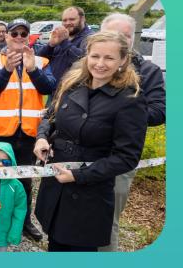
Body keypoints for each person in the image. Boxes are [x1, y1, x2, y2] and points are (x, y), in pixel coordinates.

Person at [34, 31, 148, 251]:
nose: (100, 64)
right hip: (57, 187)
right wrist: (42, 138)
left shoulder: (130, 100)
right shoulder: (73, 84)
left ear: (123, 60)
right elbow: (51, 115)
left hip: (88, 194)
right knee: (55, 245)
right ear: (87, 55)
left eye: (109, 58)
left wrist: (78, 175)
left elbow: (127, 158)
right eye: (95, 56)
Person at [0, 18, 56, 241]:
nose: (19, 38)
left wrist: (33, 70)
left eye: (24, 34)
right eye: (15, 34)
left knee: (24, 179)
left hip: (29, 133)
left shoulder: (41, 62)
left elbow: (50, 87)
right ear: (6, 36)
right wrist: (6, 70)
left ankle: (23, 221)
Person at [98, 13, 166, 251]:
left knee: (107, 220)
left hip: (119, 157)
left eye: (125, 35)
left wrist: (125, 114)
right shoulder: (89, 66)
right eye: (114, 34)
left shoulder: (148, 71)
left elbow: (159, 111)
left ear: (133, 38)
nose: (120, 40)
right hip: (85, 153)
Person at [37, 6, 92, 83]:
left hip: (73, 90)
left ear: (82, 19)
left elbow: (82, 59)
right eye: (64, 20)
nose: (67, 23)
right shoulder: (61, 36)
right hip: (54, 89)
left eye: (72, 19)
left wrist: (64, 42)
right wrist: (50, 45)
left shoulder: (90, 38)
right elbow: (39, 59)